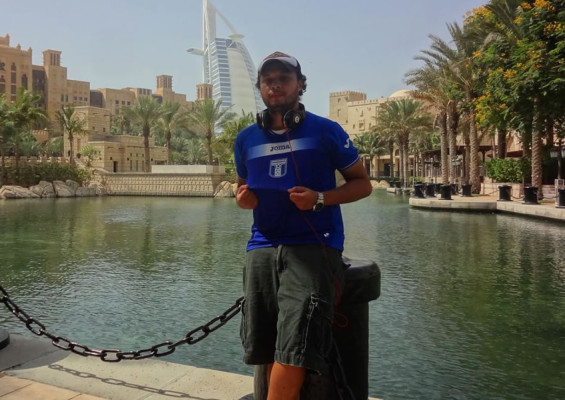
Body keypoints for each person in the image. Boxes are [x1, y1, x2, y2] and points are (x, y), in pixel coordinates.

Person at [234, 51, 372, 400]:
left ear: (299, 84)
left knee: (296, 344)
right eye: (268, 80)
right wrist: (242, 200)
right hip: (261, 246)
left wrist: (320, 199)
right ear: (261, 87)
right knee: (261, 342)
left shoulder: (326, 131)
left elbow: (362, 183)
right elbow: (241, 188)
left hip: (314, 245)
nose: (275, 85)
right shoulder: (246, 139)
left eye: (283, 78)